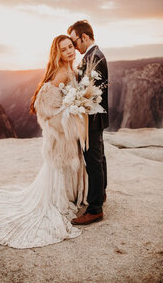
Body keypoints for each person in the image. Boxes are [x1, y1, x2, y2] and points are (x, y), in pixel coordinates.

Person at [0, 35, 88, 249]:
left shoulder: (70, 68)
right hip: (61, 137)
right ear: (58, 53)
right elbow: (44, 105)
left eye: (70, 47)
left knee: (61, 170)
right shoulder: (62, 72)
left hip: (66, 134)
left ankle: (67, 196)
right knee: (59, 169)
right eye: (64, 50)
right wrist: (68, 119)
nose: (69, 52)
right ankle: (59, 200)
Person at [67, 20, 109, 225]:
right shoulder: (93, 55)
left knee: (93, 161)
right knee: (98, 157)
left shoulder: (95, 57)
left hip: (91, 118)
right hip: (93, 117)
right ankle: (100, 194)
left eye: (74, 42)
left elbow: (94, 93)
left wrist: (74, 100)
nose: (75, 47)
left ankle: (95, 209)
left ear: (84, 37)